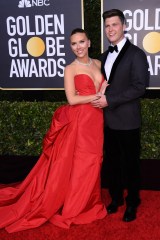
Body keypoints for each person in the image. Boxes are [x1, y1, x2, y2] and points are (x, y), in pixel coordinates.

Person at [0, 28, 107, 233]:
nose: (78, 47)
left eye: (81, 42)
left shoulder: (99, 64)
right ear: (71, 46)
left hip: (97, 120)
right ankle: (75, 207)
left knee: (94, 161)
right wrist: (94, 97)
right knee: (81, 164)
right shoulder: (70, 69)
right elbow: (72, 99)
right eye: (74, 44)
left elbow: (101, 89)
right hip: (81, 121)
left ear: (89, 42)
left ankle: (89, 203)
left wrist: (103, 92)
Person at [92, 9, 149, 222]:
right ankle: (116, 199)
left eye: (114, 24)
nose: (110, 29)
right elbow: (101, 85)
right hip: (107, 122)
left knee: (131, 164)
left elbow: (139, 87)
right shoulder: (103, 57)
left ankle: (133, 201)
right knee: (113, 164)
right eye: (107, 26)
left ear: (124, 26)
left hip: (128, 121)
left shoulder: (136, 54)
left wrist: (110, 100)